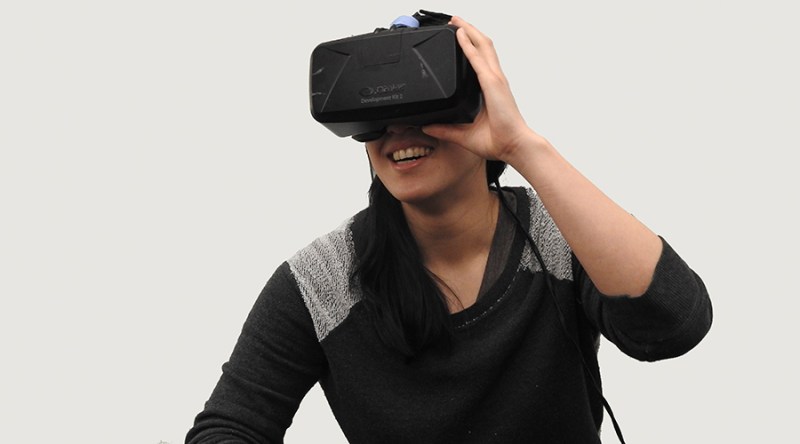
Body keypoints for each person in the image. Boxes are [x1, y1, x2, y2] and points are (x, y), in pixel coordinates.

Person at [185, 14, 712, 444]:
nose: (398, 132)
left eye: (423, 109)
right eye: (380, 119)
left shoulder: (559, 234)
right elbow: (228, 428)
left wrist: (521, 145)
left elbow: (673, 324)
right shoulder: (323, 281)